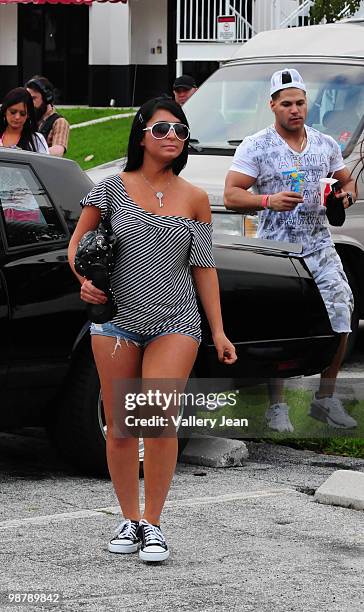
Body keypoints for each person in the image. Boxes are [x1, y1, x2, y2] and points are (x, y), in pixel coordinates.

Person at [68, 96, 237, 562]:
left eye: (180, 132)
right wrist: (85, 282)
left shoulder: (194, 197)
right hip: (117, 322)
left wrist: (219, 331)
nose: (172, 138)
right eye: (162, 129)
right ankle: (128, 518)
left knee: (158, 421)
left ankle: (154, 523)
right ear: (141, 133)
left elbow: (204, 267)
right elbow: (78, 244)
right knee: (122, 427)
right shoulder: (110, 188)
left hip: (176, 322)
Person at [224, 68, 358, 433]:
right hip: (275, 249)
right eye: (286, 104)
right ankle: (276, 407)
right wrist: (267, 199)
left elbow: (347, 181)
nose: (295, 110)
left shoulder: (324, 143)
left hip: (319, 242)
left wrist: (344, 195)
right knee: (279, 323)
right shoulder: (256, 145)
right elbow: (232, 194)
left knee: (343, 311)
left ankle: (325, 399)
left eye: (300, 102)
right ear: (273, 105)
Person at [25, 75, 69, 157]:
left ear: (47, 98)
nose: (30, 103)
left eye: (34, 98)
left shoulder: (59, 122)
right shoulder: (26, 119)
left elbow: (58, 151)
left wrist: (29, 154)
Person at [0, 87, 48, 153]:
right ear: (5, 111)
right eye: (13, 112)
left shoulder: (36, 140)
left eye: (22, 113)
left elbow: (44, 162)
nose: (17, 117)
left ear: (28, 115)